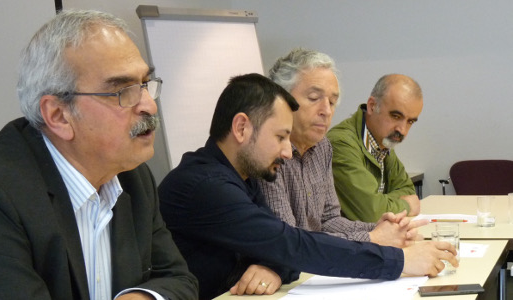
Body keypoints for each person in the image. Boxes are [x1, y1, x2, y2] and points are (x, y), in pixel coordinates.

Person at [0, 10, 197, 300]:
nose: (149, 104)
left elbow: (178, 279)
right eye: (123, 91)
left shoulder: (133, 176)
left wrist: (141, 297)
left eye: (145, 83)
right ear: (59, 115)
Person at [158, 73, 457, 300]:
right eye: (280, 137)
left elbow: (281, 246)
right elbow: (291, 244)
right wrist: (400, 261)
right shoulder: (206, 186)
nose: (287, 152)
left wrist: (273, 265)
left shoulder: (245, 175)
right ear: (241, 128)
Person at [259, 48, 425, 248]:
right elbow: (289, 241)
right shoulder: (266, 152)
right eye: (314, 98)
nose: (327, 111)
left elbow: (329, 221)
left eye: (332, 101)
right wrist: (372, 237)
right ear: (281, 99)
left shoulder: (322, 148)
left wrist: (377, 228)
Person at [327, 74, 423, 223]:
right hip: (349, 242)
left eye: (410, 121)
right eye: (396, 116)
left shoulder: (382, 142)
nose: (402, 130)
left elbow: (408, 189)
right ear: (372, 106)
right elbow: (371, 213)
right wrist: (406, 205)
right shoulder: (341, 143)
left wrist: (381, 202)